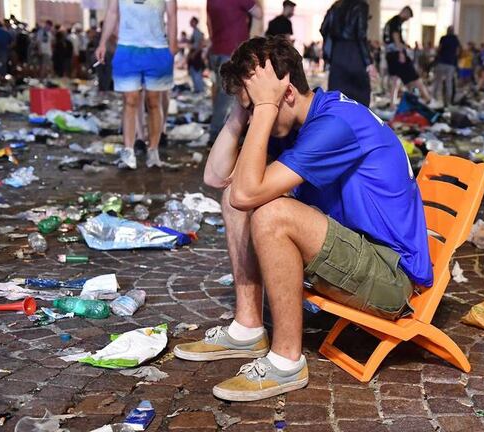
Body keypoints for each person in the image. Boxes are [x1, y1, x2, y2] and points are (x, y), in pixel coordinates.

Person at [173, 36, 432, 402]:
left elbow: (251, 195)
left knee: (272, 213)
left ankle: (286, 362)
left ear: (288, 93)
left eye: (256, 105)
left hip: (391, 278)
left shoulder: (335, 125)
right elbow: (218, 179)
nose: (252, 116)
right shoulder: (293, 123)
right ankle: (248, 328)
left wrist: (264, 107)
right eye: (247, 108)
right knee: (236, 198)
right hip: (357, 255)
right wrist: (239, 115)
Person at [96, 0, 178, 170]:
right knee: (130, 100)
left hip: (157, 49)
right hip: (127, 49)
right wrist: (102, 42)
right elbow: (112, 13)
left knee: (154, 101)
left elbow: (172, 15)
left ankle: (153, 150)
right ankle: (128, 151)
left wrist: (172, 46)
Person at [206, 0, 262, 143]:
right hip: (232, 50)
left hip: (216, 50)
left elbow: (208, 23)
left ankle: (221, 131)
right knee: (228, 95)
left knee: (221, 93)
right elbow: (258, 13)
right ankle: (217, 133)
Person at [322, 0, 377, 107]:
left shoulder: (336, 6)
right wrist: (369, 63)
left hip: (337, 54)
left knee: (337, 98)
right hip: (354, 54)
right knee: (361, 98)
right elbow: (361, 35)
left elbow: (324, 28)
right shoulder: (360, 5)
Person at [383, 6, 432, 105]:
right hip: (397, 54)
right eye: (408, 17)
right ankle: (428, 99)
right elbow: (396, 37)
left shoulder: (390, 22)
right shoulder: (396, 21)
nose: (407, 20)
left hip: (390, 54)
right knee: (415, 77)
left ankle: (392, 104)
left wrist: (404, 45)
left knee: (395, 79)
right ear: (405, 12)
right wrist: (401, 52)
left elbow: (388, 40)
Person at [431, 26, 459, 107]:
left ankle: (434, 99)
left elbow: (439, 49)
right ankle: (448, 102)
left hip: (441, 62)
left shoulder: (443, 38)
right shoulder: (455, 39)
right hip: (451, 64)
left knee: (437, 81)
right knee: (449, 82)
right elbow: (457, 51)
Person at [188, 17, 206, 93]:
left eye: (192, 21)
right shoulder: (194, 32)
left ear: (195, 22)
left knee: (196, 73)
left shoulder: (197, 32)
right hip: (193, 54)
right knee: (193, 72)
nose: (190, 23)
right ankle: (197, 89)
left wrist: (194, 54)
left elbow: (200, 45)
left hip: (196, 55)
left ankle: (200, 90)